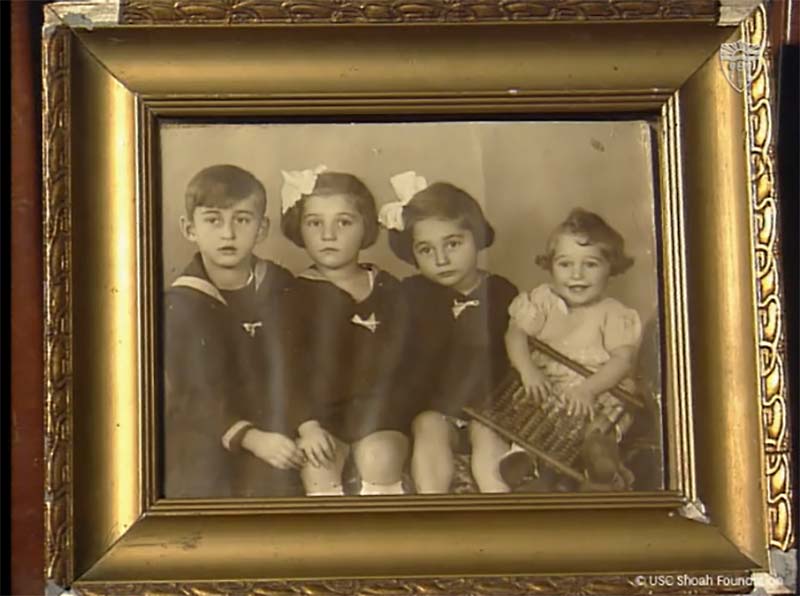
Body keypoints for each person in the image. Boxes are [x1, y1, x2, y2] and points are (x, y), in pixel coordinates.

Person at [163, 164, 305, 499]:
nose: (228, 234)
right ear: (189, 228)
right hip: (211, 430)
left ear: (262, 228)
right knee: (200, 480)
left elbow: (300, 365)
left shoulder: (282, 286)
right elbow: (192, 393)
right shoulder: (179, 303)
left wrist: (301, 425)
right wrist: (251, 438)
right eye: (213, 219)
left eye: (242, 219)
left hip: (276, 424)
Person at [382, 171, 518, 493]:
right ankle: (434, 508)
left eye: (453, 244)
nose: (441, 259)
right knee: (428, 425)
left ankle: (497, 509)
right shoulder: (410, 293)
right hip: (436, 405)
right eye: (426, 250)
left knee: (488, 435)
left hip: (490, 406)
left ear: (477, 237)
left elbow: (518, 352)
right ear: (412, 253)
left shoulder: (500, 291)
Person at [279, 166, 410, 496]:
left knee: (379, 456)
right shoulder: (294, 295)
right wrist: (307, 427)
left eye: (344, 222)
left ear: (366, 226)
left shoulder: (389, 288)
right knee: (318, 465)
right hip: (323, 418)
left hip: (381, 413)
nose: (328, 235)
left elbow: (407, 360)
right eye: (314, 223)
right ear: (299, 228)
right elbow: (288, 369)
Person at [502, 208, 642, 491]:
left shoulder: (614, 314)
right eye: (565, 264)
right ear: (551, 266)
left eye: (590, 264)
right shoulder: (541, 301)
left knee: (600, 422)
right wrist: (528, 370)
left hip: (595, 392)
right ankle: (525, 461)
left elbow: (622, 360)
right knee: (529, 412)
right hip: (549, 390)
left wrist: (588, 389)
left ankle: (600, 457)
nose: (577, 275)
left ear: (610, 268)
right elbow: (515, 335)